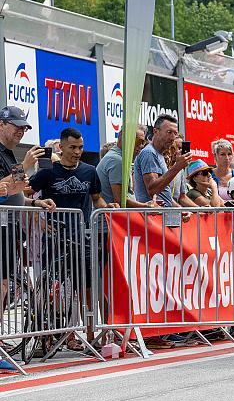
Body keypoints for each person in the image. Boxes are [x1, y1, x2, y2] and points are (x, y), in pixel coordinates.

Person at [28, 127, 117, 350]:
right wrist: (38, 217)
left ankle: (91, 334)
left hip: (82, 238)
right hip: (55, 238)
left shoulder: (89, 171)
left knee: (87, 287)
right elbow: (27, 193)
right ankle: (45, 337)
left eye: (81, 147)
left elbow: (97, 200)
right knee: (50, 290)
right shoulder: (48, 171)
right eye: (73, 147)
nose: (78, 152)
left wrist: (109, 207)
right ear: (61, 146)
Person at [0, 107, 55, 352]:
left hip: (10, 226)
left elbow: (17, 190)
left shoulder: (9, 154)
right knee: (1, 286)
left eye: (24, 127)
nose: (21, 131)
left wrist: (35, 202)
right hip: (2, 226)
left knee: (2, 286)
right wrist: (24, 164)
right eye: (16, 126)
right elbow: (1, 189)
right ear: (1, 125)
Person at [133, 114, 193, 207]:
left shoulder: (159, 154)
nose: (173, 137)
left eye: (175, 133)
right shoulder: (149, 153)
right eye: (169, 132)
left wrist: (179, 210)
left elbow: (164, 195)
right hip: (152, 217)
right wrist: (177, 167)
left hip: (162, 216)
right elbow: (153, 190)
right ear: (155, 131)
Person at [96, 128, 153, 208]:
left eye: (143, 142)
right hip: (110, 219)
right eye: (138, 141)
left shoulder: (118, 158)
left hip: (112, 217)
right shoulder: (117, 160)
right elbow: (120, 200)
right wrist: (146, 206)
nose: (141, 146)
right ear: (125, 139)